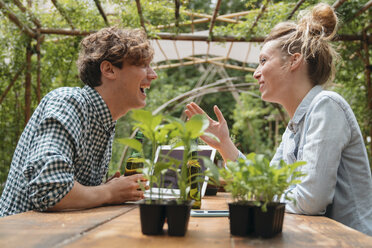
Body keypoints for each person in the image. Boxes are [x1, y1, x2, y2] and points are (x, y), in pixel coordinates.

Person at [185, 3, 372, 236]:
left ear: (294, 61)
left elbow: (310, 201)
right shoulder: (295, 126)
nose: (255, 72)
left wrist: (265, 194)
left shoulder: (327, 106)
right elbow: (265, 182)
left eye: (263, 61)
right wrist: (224, 143)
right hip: (316, 237)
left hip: (351, 241)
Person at [0, 26, 158, 217]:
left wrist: (105, 189)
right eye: (143, 65)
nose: (153, 74)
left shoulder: (105, 121)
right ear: (109, 69)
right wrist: (109, 192)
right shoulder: (67, 102)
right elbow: (50, 190)